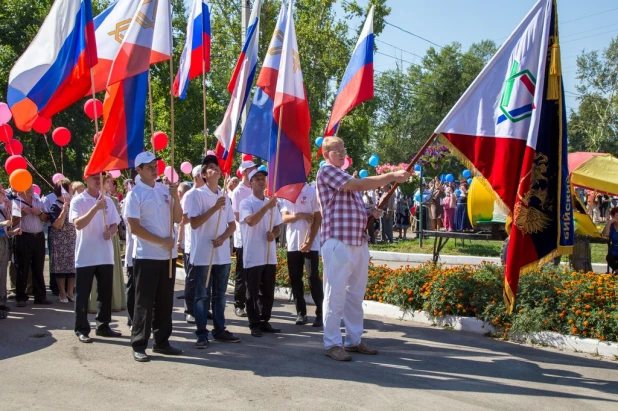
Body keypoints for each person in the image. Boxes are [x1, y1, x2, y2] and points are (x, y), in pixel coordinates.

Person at [317, 136, 409, 361]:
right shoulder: (327, 172)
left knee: (355, 294)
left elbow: (353, 202)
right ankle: (332, 342)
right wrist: (391, 176)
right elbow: (355, 185)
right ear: (326, 155)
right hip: (338, 241)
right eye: (335, 150)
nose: (340, 153)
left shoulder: (345, 176)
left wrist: (370, 211)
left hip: (357, 241)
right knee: (335, 293)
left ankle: (353, 339)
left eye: (342, 149)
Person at [125, 151, 183, 362]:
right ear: (138, 170)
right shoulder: (135, 194)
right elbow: (134, 228)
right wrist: (162, 241)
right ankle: (139, 343)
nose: (153, 168)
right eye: (148, 166)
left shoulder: (164, 189)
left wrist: (176, 198)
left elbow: (177, 218)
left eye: (154, 165)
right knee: (144, 302)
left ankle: (162, 341)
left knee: (165, 301)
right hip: (147, 255)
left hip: (166, 256)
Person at [185, 155, 239, 347]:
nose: (215, 169)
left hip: (222, 254)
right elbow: (194, 223)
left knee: (220, 295)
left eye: (217, 166)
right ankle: (201, 333)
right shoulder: (195, 195)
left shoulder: (224, 197)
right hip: (202, 255)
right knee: (201, 296)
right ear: (204, 175)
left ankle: (219, 329)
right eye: (210, 168)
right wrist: (215, 208)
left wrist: (223, 237)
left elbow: (232, 225)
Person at [70, 172, 122, 343]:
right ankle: (81, 328)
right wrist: (95, 208)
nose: (98, 181)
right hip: (86, 254)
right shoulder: (78, 200)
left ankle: (103, 326)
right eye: (94, 178)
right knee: (83, 294)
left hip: (105, 255)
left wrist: (111, 231)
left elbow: (115, 223)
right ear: (86, 179)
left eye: (100, 178)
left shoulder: (107, 200)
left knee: (105, 293)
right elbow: (78, 224)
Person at [239, 168, 282, 337]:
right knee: (252, 290)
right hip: (253, 254)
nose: (261, 181)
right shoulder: (246, 203)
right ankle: (254, 323)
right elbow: (250, 221)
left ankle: (265, 320)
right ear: (250, 183)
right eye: (257, 179)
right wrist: (266, 207)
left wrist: (274, 234)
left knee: (267, 290)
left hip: (269, 254)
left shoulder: (270, 202)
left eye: (263, 178)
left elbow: (278, 226)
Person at [281, 182, 323, 327]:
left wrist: (310, 241)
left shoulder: (311, 191)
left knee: (312, 276)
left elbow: (318, 218)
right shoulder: (287, 192)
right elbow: (284, 218)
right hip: (293, 243)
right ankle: (301, 313)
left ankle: (320, 312)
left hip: (310, 243)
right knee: (295, 278)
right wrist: (300, 215)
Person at [88, 175, 126, 313]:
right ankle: (93, 304)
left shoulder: (112, 200)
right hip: (92, 240)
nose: (110, 183)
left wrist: (111, 232)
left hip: (110, 239)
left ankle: (113, 302)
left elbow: (115, 223)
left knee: (111, 271)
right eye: (107, 181)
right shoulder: (87, 199)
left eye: (111, 181)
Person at [13, 184, 50, 307]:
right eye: (27, 186)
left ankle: (40, 296)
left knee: (38, 267)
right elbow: (12, 222)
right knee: (22, 267)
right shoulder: (16, 201)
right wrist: (22, 214)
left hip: (38, 236)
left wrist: (39, 213)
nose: (30, 189)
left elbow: (46, 218)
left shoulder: (38, 199)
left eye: (31, 186)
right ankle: (21, 297)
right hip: (24, 236)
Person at [230, 160, 257, 318]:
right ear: (245, 172)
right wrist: (252, 220)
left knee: (254, 273)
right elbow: (237, 215)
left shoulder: (255, 189)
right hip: (243, 238)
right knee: (242, 273)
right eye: (252, 169)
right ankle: (238, 304)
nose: (254, 170)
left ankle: (251, 303)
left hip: (256, 238)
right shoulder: (238, 191)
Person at [179, 166, 204, 325]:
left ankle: (201, 308)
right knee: (192, 279)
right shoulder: (189, 195)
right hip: (191, 244)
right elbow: (183, 220)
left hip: (204, 243)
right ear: (197, 177)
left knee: (204, 280)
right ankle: (189, 310)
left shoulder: (209, 195)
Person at [48, 179, 76, 303]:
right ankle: (62, 294)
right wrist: (64, 210)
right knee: (60, 268)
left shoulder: (73, 203)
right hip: (60, 241)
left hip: (72, 239)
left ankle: (70, 293)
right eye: (69, 187)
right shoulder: (55, 205)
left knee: (72, 268)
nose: (72, 189)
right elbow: (57, 225)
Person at [0, 186, 21, 314]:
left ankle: (1, 302)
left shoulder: (3, 208)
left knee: (2, 273)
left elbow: (6, 230)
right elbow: (3, 225)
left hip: (3, 242)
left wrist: (13, 232)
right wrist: (2, 224)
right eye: (2, 193)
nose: (4, 195)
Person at [122, 179, 136, 327]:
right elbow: (129, 223)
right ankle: (132, 318)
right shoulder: (130, 198)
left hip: (146, 254)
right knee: (132, 286)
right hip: (133, 251)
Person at [602, 207, 618, 274]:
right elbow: (605, 234)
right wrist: (609, 223)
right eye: (617, 216)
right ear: (613, 216)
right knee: (609, 258)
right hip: (614, 250)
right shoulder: (611, 225)